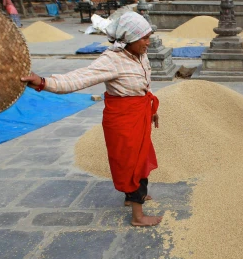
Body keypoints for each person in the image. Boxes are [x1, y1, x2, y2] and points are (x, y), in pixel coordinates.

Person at [20, 12, 163, 227]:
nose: (148, 42)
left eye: (148, 36)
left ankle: (131, 196)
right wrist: (43, 82)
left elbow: (145, 84)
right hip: (123, 120)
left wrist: (152, 111)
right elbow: (78, 79)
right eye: (144, 38)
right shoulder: (111, 60)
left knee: (138, 158)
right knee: (131, 162)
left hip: (139, 114)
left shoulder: (140, 55)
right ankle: (138, 216)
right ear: (129, 38)